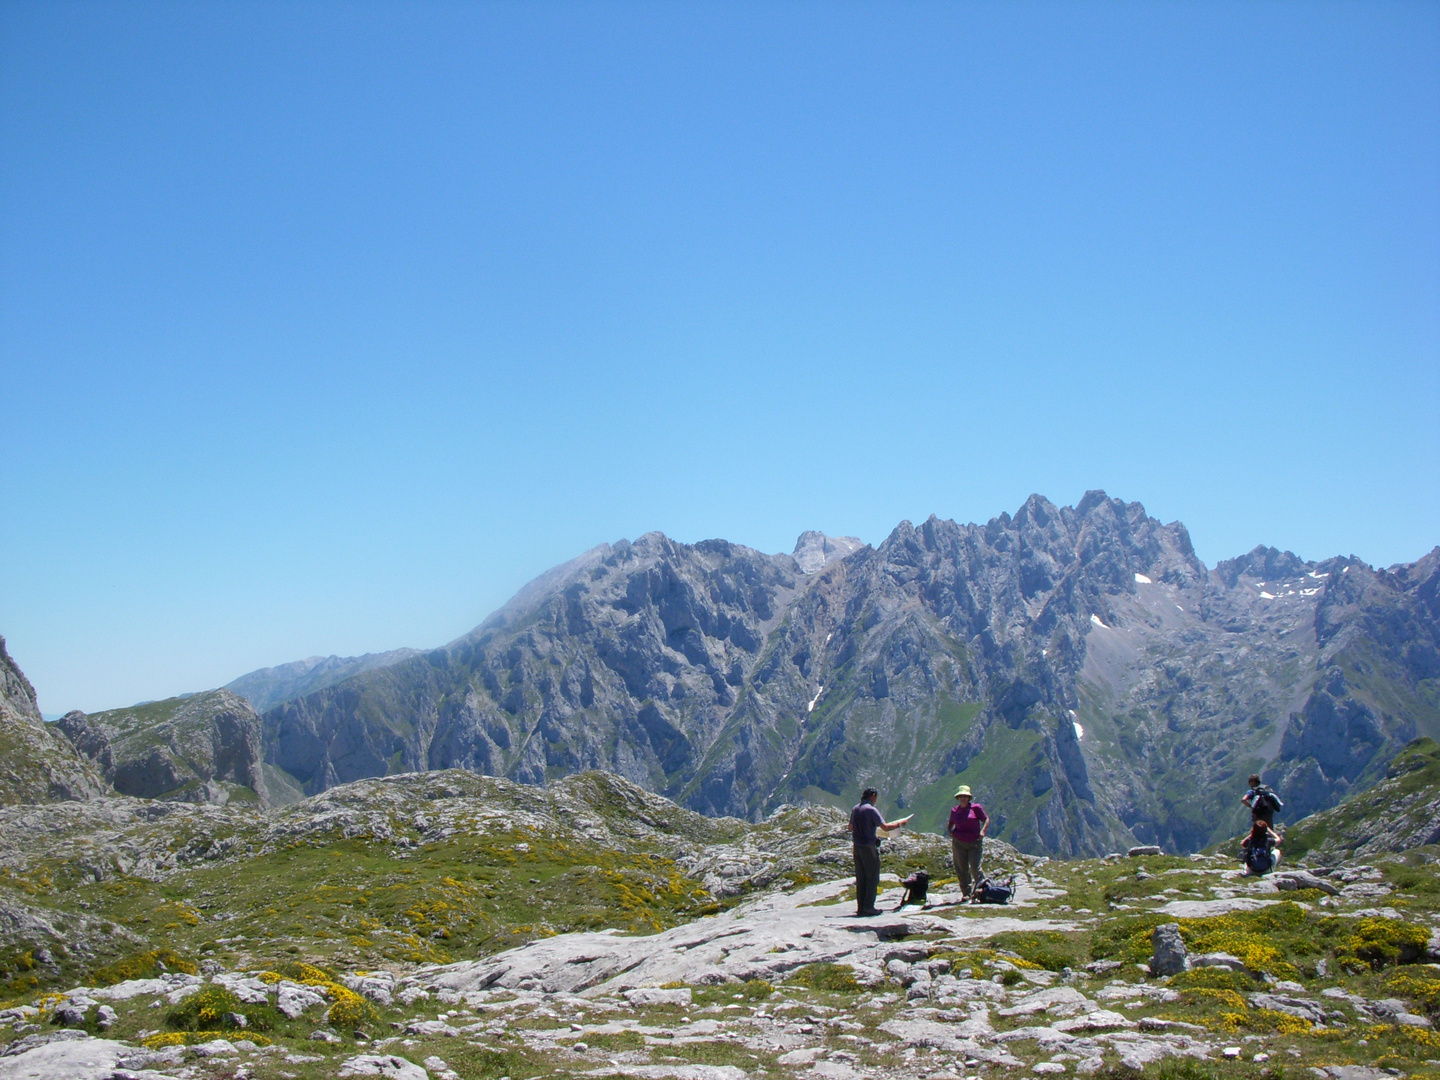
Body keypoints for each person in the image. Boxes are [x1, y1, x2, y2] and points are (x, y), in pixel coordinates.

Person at [848, 787, 907, 916]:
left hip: (857, 846)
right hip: (868, 846)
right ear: (873, 796)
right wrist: (899, 824)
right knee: (872, 877)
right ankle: (869, 907)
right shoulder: (871, 810)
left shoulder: (855, 808)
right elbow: (885, 827)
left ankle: (861, 907)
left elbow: (850, 827)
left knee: (861, 877)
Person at [946, 785, 988, 899]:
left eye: (965, 796)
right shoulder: (955, 810)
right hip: (959, 842)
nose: (963, 798)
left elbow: (986, 819)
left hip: (974, 842)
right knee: (961, 867)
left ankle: (983, 889)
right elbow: (950, 823)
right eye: (961, 796)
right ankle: (966, 893)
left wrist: (982, 831)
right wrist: (950, 831)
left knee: (975, 867)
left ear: (969, 798)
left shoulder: (976, 808)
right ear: (958, 798)